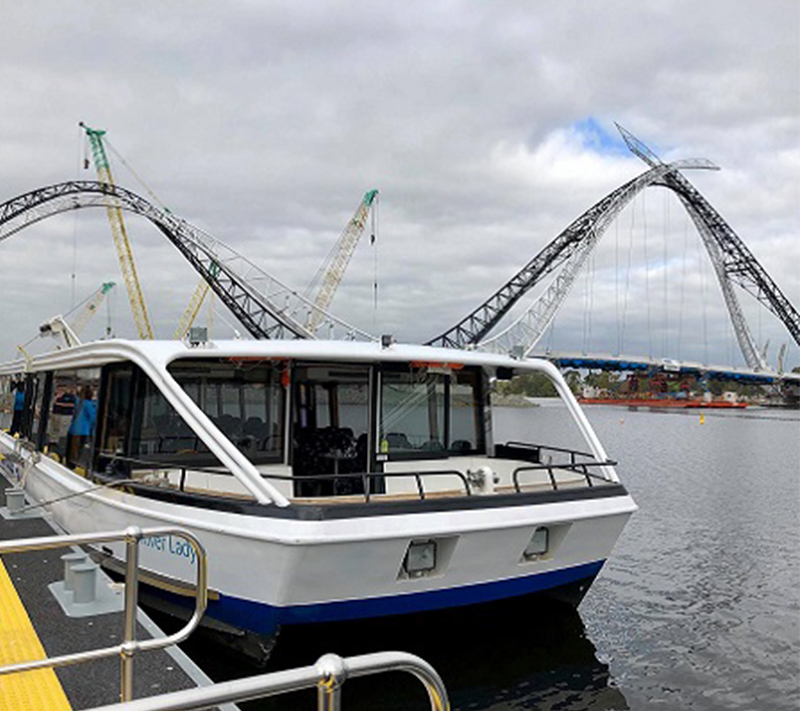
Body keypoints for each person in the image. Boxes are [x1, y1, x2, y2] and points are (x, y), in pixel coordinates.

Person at [68, 385, 98, 468]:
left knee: (72, 450)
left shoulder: (77, 401)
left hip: (73, 429)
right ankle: (77, 465)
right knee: (80, 450)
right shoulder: (88, 404)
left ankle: (70, 464)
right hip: (83, 430)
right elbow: (93, 417)